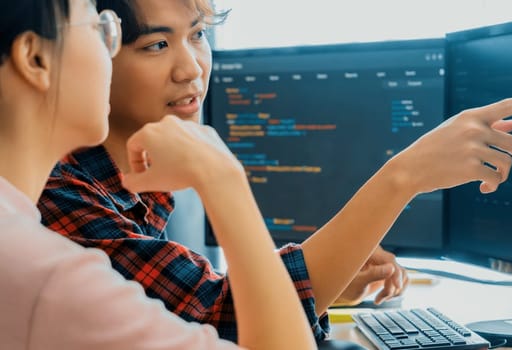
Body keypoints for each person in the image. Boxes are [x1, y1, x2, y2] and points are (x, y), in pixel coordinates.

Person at [38, 0, 512, 343]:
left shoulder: (130, 182)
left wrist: (331, 282)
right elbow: (228, 325)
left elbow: (192, 311)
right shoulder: (58, 198)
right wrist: (404, 176)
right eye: (156, 45)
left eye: (197, 35)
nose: (191, 67)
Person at [0, 0, 315, 348]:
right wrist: (224, 181)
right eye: (98, 29)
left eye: (198, 34)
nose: (191, 71)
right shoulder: (49, 279)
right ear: (35, 59)